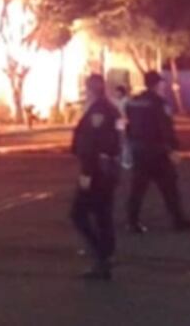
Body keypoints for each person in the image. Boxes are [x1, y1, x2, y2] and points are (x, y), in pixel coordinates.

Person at [125, 71, 190, 233]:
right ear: (157, 84)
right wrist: (174, 148)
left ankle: (132, 221)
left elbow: (129, 125)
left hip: (139, 150)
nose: (163, 86)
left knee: (138, 188)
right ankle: (178, 220)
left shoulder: (134, 102)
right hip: (157, 152)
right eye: (161, 83)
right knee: (169, 186)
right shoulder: (159, 103)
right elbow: (165, 128)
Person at [70, 74, 122, 280]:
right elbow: (117, 140)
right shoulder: (111, 109)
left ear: (89, 89)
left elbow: (91, 146)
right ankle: (105, 258)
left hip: (96, 172)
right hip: (109, 170)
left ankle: (101, 254)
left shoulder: (98, 112)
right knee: (103, 215)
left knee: (78, 214)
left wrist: (86, 174)